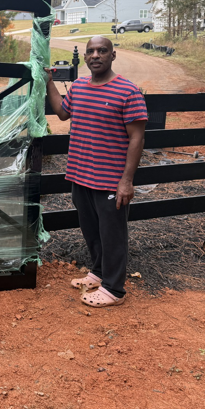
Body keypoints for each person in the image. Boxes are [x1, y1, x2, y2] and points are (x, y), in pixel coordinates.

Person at [45, 35, 146, 308]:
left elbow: (137, 138)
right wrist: (49, 82)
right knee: (92, 231)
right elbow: (62, 112)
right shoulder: (78, 87)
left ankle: (114, 289)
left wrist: (126, 181)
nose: (95, 55)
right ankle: (99, 272)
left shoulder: (128, 91)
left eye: (102, 50)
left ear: (113, 55)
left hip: (110, 180)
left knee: (113, 235)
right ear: (85, 57)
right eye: (90, 51)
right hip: (80, 175)